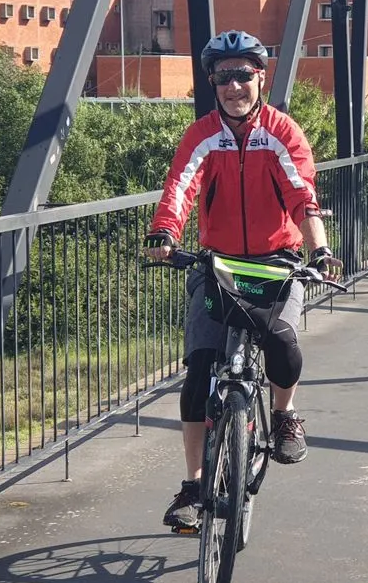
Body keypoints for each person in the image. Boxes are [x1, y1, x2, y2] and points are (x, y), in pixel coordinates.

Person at [145, 30, 343, 533]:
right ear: (212, 83)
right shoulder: (202, 135)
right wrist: (165, 231)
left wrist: (319, 250)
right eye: (223, 77)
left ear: (260, 78)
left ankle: (285, 413)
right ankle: (193, 486)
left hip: (276, 259)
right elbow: (181, 185)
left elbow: (301, 195)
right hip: (218, 261)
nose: (233, 86)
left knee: (282, 341)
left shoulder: (281, 131)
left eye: (243, 75)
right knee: (199, 371)